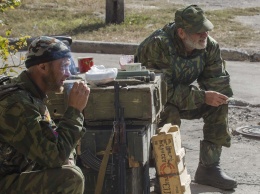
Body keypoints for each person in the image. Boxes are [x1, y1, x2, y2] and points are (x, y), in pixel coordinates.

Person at [135, 4, 237, 191]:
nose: (204, 35)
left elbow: (217, 82)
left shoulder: (209, 46)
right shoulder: (158, 45)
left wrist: (215, 96)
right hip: (150, 103)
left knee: (219, 103)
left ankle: (209, 168)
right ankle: (165, 173)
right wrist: (202, 97)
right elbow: (161, 92)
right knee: (169, 113)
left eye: (206, 29)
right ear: (182, 33)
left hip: (180, 96)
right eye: (199, 32)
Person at [0, 36, 90, 193]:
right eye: (63, 67)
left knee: (67, 165)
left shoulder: (30, 95)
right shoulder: (18, 105)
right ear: (42, 67)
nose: (68, 74)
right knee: (70, 178)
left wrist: (67, 158)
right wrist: (75, 111)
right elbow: (54, 156)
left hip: (12, 175)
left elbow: (54, 143)